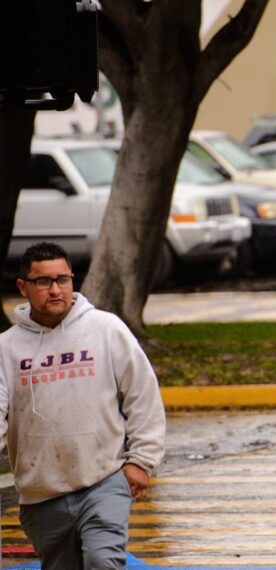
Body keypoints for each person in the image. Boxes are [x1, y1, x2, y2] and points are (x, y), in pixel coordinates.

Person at [0, 242, 166, 569]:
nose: (56, 290)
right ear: (23, 287)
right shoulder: (7, 348)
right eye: (44, 281)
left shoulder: (106, 329)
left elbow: (142, 395)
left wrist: (142, 461)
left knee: (103, 561)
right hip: (41, 493)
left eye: (63, 279)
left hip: (103, 480)